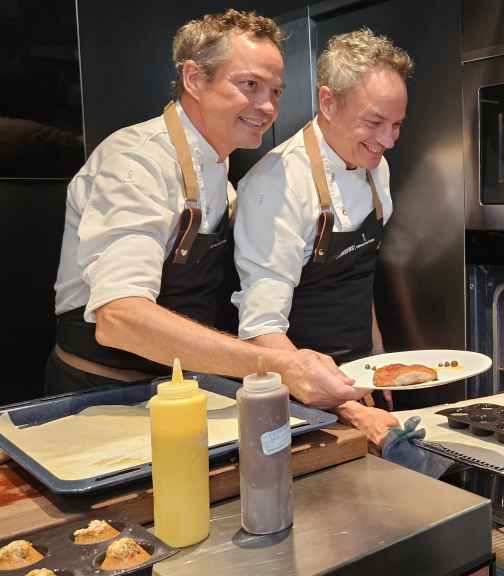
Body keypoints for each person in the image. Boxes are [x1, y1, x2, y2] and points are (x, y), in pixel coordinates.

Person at [47, 9, 364, 410]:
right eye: (250, 85)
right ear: (195, 79)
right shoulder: (136, 163)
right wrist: (280, 365)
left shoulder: (221, 174)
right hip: (100, 397)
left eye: (276, 92)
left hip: (176, 392)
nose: (267, 107)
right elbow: (119, 318)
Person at [234, 28, 412, 448]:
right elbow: (260, 329)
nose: (387, 141)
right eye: (374, 122)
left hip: (357, 380)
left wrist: (376, 360)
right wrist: (348, 408)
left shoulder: (375, 166)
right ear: (328, 102)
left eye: (397, 125)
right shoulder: (275, 185)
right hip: (297, 402)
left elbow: (357, 272)